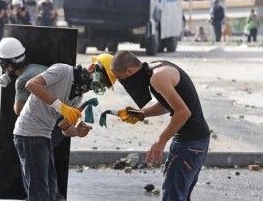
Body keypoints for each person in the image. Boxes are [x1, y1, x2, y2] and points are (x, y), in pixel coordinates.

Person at [13, 51, 116, 201]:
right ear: (93, 67)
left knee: (52, 194)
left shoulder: (77, 96)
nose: (101, 85)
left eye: (106, 84)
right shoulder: (63, 71)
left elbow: (64, 128)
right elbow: (32, 84)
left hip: (44, 136)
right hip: (29, 134)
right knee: (39, 194)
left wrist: (77, 132)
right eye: (103, 79)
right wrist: (60, 106)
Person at [110, 50, 210, 201]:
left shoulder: (157, 77)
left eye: (120, 78)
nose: (121, 82)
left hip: (189, 143)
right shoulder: (155, 70)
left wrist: (161, 141)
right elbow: (168, 105)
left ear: (129, 71)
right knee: (180, 195)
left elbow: (183, 113)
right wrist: (140, 114)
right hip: (196, 140)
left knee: (173, 196)